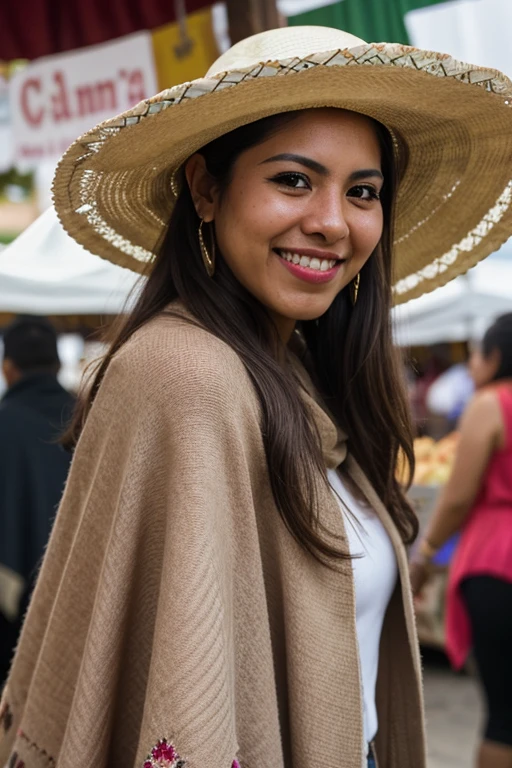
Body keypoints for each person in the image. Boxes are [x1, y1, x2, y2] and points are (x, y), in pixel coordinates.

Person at [1, 24, 512, 768]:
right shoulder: (186, 376)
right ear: (206, 189)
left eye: (362, 192)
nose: (332, 222)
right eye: (293, 180)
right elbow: (189, 690)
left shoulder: (303, 376)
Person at [411, 313, 512, 768]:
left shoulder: (490, 404)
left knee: (504, 716)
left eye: (475, 355)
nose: (470, 365)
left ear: (496, 357)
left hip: (497, 563)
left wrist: (426, 552)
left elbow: (457, 497)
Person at [0, 317, 74, 685]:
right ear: (58, 366)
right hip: (82, 607)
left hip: (14, 623)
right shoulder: (90, 417)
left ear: (7, 369)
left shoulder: (3, 423)